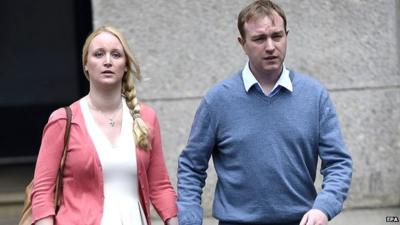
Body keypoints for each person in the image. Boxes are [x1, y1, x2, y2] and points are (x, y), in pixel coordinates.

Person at [177, 1, 352, 225]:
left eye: (277, 36)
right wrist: (190, 220)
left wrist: (324, 207)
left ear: (286, 36)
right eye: (259, 39)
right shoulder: (217, 100)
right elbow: (191, 166)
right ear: (242, 43)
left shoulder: (315, 96)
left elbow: (338, 163)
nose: (270, 46)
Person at [31, 26, 179, 225]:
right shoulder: (63, 120)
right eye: (99, 54)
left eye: (116, 55)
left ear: (125, 64)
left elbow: (160, 185)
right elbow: (42, 192)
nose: (107, 61)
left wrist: (173, 219)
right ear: (85, 64)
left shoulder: (145, 117)